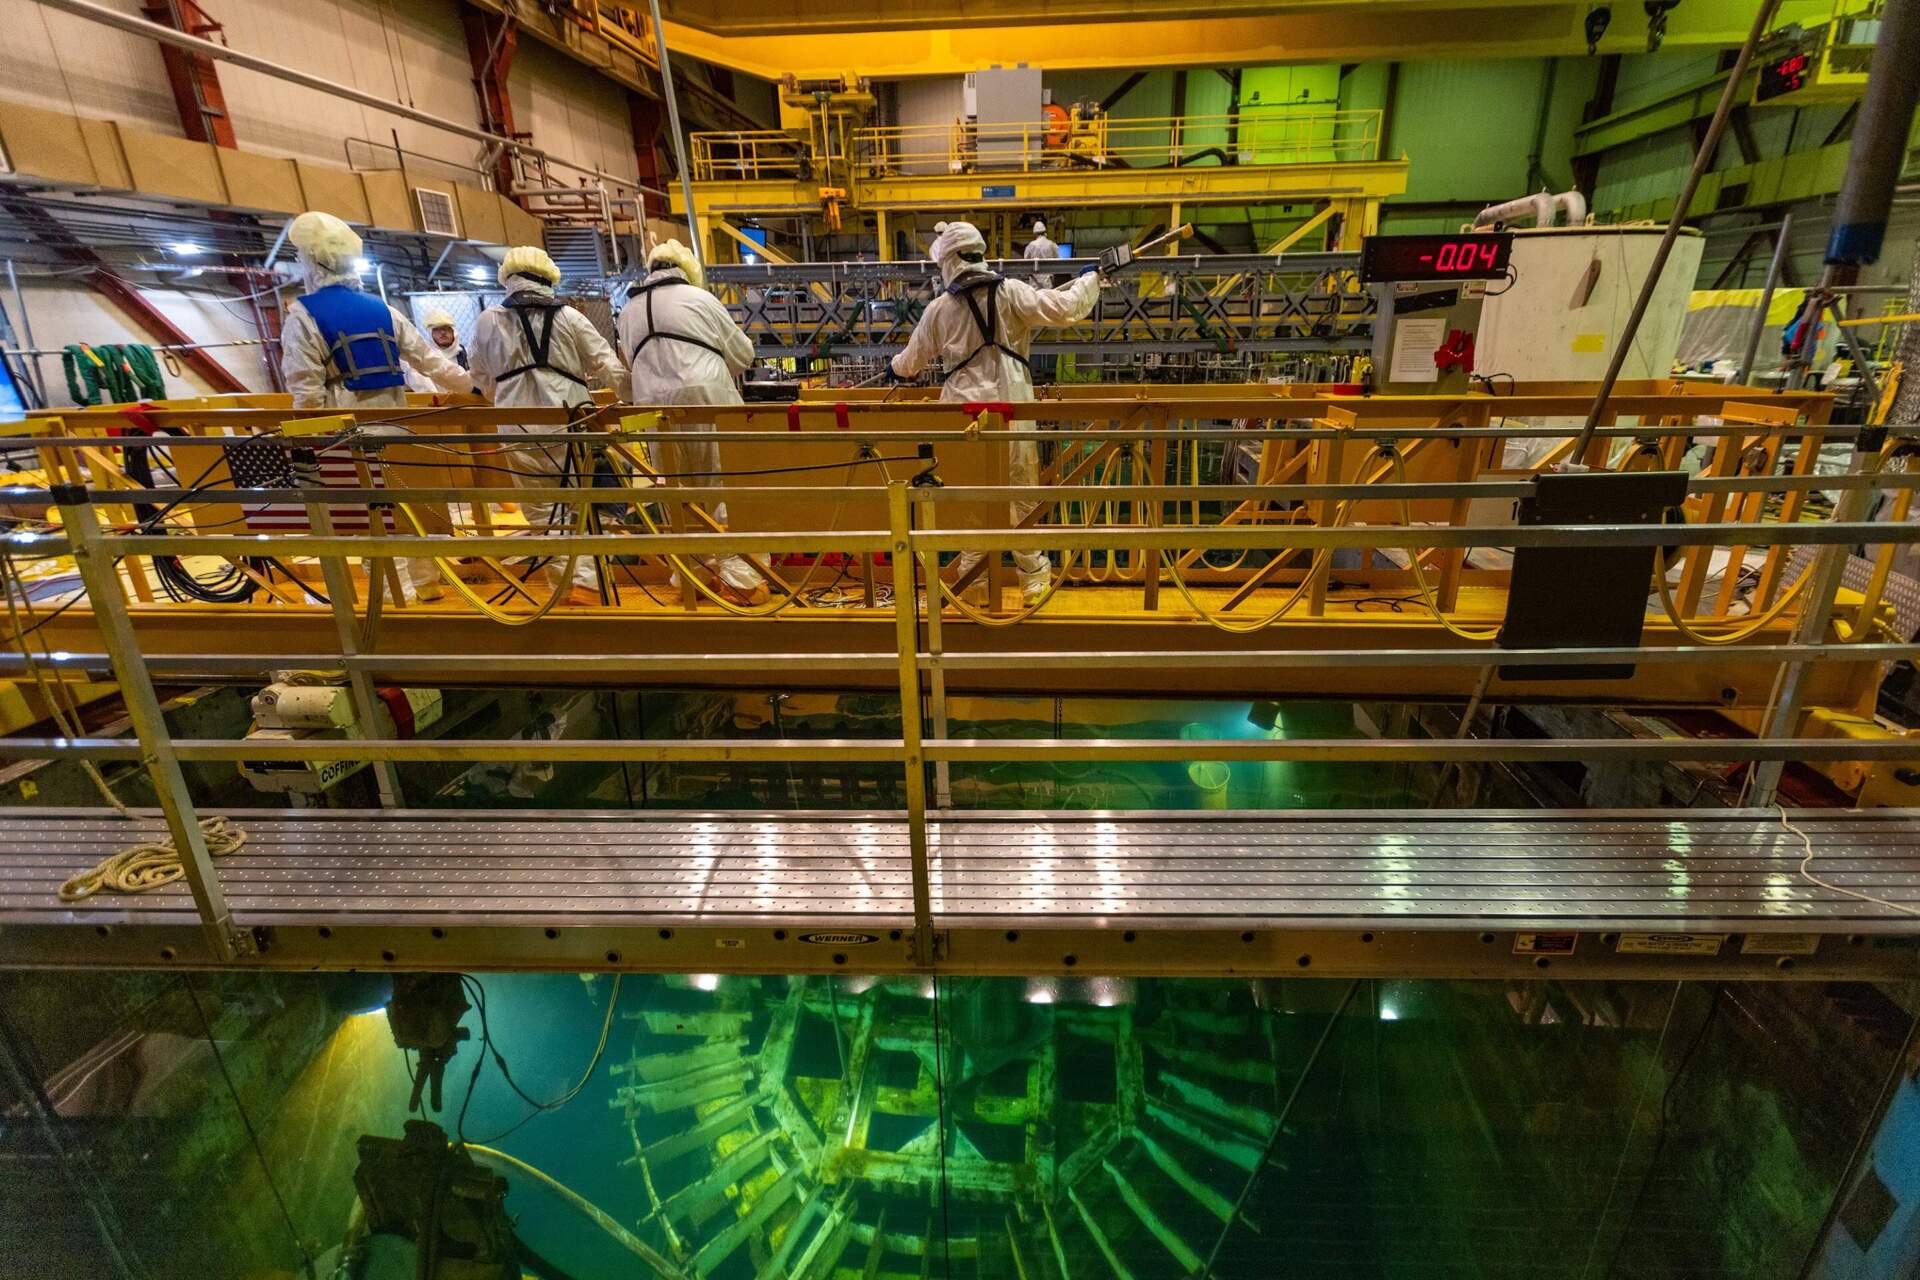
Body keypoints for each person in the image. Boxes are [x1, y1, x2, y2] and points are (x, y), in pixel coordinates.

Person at [890, 219, 1103, 606]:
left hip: (961, 413)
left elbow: (909, 364)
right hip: (1011, 405)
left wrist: (892, 367)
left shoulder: (939, 309)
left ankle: (973, 583)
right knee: (1020, 491)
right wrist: (1089, 280)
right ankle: (1033, 582)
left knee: (968, 497)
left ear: (949, 261)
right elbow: (1066, 308)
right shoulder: (1010, 293)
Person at [279, 210, 472, 599]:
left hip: (345, 433)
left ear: (311, 261)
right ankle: (427, 585)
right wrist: (476, 389)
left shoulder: (303, 315)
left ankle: (395, 599)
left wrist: (308, 438)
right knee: (408, 510)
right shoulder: (382, 309)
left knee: (368, 519)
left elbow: (306, 388)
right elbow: (430, 361)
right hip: (396, 425)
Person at [469, 245, 628, 605]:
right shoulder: (570, 317)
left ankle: (565, 584)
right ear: (549, 279)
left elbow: (479, 377)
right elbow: (606, 364)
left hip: (515, 422)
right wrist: (635, 397)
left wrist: (508, 388)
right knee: (579, 501)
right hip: (570, 417)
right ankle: (589, 583)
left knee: (540, 508)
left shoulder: (488, 320)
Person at [616, 239, 766, 606]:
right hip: (707, 402)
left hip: (652, 409)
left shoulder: (628, 310)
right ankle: (739, 579)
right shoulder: (699, 299)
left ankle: (694, 575)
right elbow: (743, 355)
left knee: (675, 492)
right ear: (687, 269)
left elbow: (627, 363)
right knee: (722, 486)